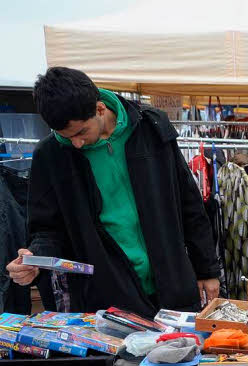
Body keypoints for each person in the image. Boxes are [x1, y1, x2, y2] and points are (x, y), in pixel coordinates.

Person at [6, 67, 220, 316]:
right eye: (65, 136)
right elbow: (46, 229)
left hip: (172, 286)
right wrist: (35, 259)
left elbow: (188, 201)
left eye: (80, 132)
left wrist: (207, 269)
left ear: (99, 109)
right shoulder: (51, 155)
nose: (75, 143)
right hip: (107, 299)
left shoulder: (150, 126)